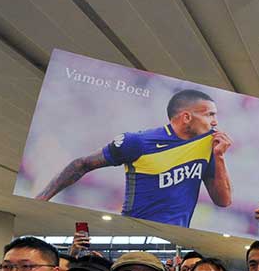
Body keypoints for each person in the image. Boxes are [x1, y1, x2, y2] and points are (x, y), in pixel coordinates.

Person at [36, 89, 233, 226]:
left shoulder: (209, 145)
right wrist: (41, 200)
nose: (215, 122)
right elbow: (82, 164)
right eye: (209, 115)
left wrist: (219, 157)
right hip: (134, 227)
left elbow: (223, 201)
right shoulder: (138, 142)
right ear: (187, 117)